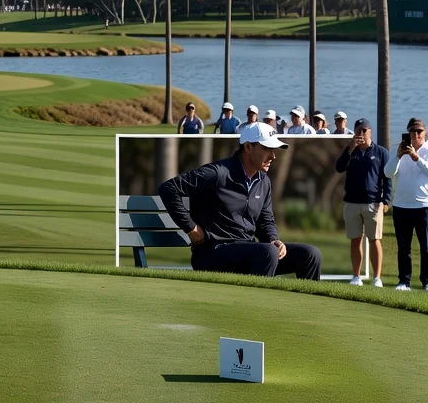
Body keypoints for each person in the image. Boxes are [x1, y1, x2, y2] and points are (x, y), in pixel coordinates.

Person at [158, 122, 321, 280]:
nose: (273, 156)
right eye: (267, 149)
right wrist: (191, 228)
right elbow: (169, 188)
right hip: (212, 252)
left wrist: (273, 239)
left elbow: (266, 221)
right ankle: (255, 306)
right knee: (267, 252)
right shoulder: (217, 173)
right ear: (248, 147)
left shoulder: (263, 181)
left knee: (310, 254)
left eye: (273, 150)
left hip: (250, 251)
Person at [336, 118, 392, 287]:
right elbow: (339, 167)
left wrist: (386, 200)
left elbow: (387, 178)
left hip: (373, 203)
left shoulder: (381, 152)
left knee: (375, 240)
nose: (361, 134)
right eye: (358, 131)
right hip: (352, 202)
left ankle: (377, 278)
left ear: (370, 132)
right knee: (355, 240)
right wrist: (350, 148)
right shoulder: (350, 150)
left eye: (364, 130)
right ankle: (356, 276)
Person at [385, 118, 428, 291]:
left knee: (426, 247)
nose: (415, 134)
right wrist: (397, 156)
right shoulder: (400, 150)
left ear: (425, 132)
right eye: (412, 131)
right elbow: (388, 173)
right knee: (404, 247)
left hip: (424, 206)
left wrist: (416, 158)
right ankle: (404, 281)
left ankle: (426, 281)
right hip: (402, 207)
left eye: (419, 131)